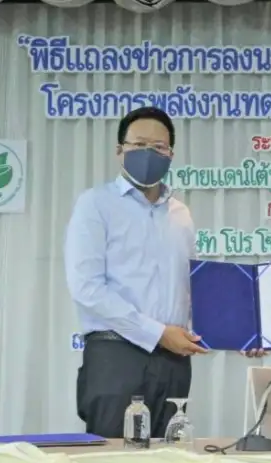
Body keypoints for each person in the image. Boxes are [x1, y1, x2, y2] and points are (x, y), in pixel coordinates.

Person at [65, 106, 209, 439]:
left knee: (170, 459)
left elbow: (191, 289)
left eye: (159, 147)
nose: (149, 154)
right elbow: (87, 288)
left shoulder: (181, 214)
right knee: (114, 462)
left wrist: (234, 333)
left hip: (173, 362)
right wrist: (156, 333)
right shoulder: (95, 204)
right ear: (120, 151)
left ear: (171, 154)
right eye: (139, 145)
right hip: (116, 356)